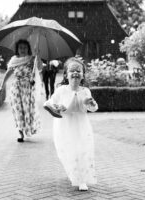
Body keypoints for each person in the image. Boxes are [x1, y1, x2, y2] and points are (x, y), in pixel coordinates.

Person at [43, 57, 98, 191]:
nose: (75, 73)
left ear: (83, 75)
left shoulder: (85, 91)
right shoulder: (62, 90)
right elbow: (50, 103)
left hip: (81, 125)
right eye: (72, 70)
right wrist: (57, 107)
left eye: (78, 71)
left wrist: (91, 104)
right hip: (65, 126)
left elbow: (93, 108)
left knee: (82, 150)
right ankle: (73, 172)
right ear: (66, 75)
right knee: (69, 151)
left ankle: (82, 180)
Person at [0, 39, 42, 142]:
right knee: (18, 111)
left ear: (28, 49)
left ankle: (29, 129)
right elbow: (8, 73)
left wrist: (38, 56)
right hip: (16, 89)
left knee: (28, 110)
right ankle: (21, 133)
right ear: (17, 49)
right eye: (21, 47)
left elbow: (39, 69)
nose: (23, 49)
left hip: (28, 89)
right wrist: (2, 85)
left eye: (25, 47)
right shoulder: (14, 60)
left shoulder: (32, 59)